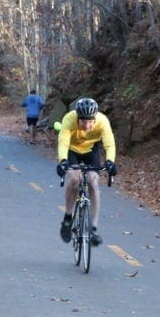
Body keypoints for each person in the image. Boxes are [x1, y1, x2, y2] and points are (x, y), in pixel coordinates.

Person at [56, 97, 117, 246]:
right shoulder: (69, 119)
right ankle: (67, 218)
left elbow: (109, 144)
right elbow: (63, 142)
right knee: (75, 178)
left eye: (91, 121)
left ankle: (93, 229)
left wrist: (110, 162)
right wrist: (63, 161)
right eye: (84, 121)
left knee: (93, 182)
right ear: (78, 118)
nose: (88, 125)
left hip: (91, 150)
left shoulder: (102, 121)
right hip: (72, 150)